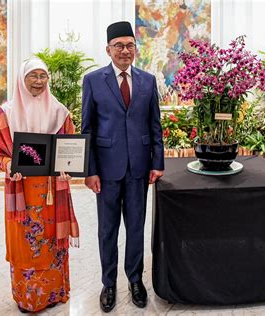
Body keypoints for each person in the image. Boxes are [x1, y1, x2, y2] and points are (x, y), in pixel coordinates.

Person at [81, 21, 164, 311]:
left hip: (139, 169)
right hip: (105, 170)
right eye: (119, 45)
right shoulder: (92, 80)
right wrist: (89, 170)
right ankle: (108, 283)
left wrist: (158, 162)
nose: (125, 50)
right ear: (108, 49)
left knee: (136, 228)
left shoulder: (147, 80)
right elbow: (87, 129)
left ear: (135, 48)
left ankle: (135, 280)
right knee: (107, 230)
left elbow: (155, 125)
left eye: (129, 45)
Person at [0, 59, 79, 313]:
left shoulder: (59, 112)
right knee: (25, 243)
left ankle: (55, 293)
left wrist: (68, 165)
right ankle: (29, 298)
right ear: (22, 78)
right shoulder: (7, 112)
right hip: (22, 191)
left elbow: (70, 146)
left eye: (43, 76)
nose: (39, 81)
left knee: (52, 241)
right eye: (33, 76)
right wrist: (8, 166)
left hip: (53, 190)